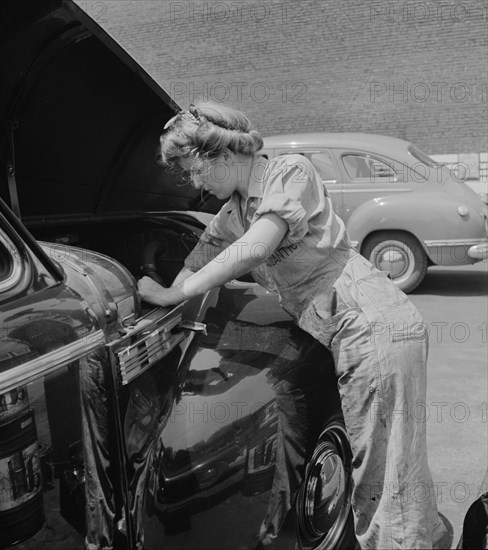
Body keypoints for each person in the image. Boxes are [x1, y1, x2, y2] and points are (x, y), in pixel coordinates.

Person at [137, 101, 446, 549]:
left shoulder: (290, 172)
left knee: (380, 464)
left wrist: (173, 295)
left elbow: (256, 249)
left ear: (220, 155)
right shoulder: (231, 214)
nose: (194, 183)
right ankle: (424, 538)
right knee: (394, 454)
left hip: (372, 322)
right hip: (344, 327)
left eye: (193, 169)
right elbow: (197, 262)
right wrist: (161, 298)